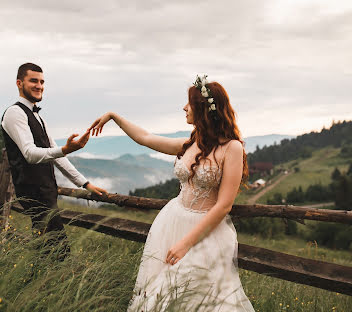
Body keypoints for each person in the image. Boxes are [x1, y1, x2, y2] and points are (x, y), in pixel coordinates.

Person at [90, 75, 254, 311]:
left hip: (206, 233)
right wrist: (114, 116)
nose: (184, 107)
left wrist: (185, 244)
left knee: (196, 298)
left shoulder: (233, 148)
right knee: (159, 294)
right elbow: (145, 138)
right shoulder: (191, 142)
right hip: (172, 221)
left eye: (189, 103)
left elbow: (224, 205)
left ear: (204, 109)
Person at [1, 62, 106, 248]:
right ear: (19, 83)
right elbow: (30, 154)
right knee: (58, 250)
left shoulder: (38, 117)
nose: (39, 86)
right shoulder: (14, 113)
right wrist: (66, 149)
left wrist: (85, 184)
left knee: (47, 250)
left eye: (42, 82)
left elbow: (57, 156)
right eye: (33, 81)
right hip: (33, 193)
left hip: (46, 193)